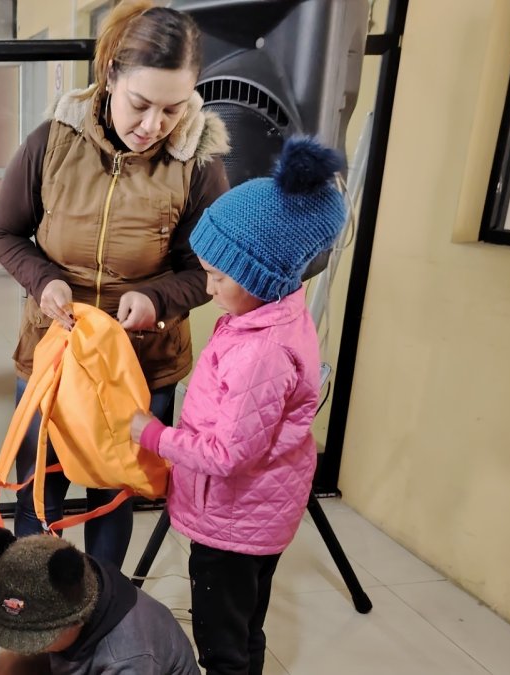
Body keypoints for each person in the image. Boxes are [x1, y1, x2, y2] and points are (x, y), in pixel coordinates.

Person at [0, 0, 230, 567]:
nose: (153, 126)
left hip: (139, 364)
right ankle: (36, 616)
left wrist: (157, 299)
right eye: (140, 105)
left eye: (173, 110)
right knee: (39, 494)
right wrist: (44, 280)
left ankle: (101, 619)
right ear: (110, 75)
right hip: (54, 355)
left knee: (112, 496)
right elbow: (5, 234)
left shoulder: (199, 165)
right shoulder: (52, 142)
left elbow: (208, 271)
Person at [130, 137, 347, 675]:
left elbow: (228, 455)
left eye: (218, 277)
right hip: (256, 518)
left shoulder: (262, 352)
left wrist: (153, 434)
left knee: (221, 640)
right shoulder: (270, 317)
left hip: (232, 522)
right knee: (247, 622)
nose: (207, 286)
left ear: (261, 275)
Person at [0, 528, 198, 675]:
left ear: (77, 620)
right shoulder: (79, 577)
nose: (28, 644)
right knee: (9, 664)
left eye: (38, 637)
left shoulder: (127, 657)